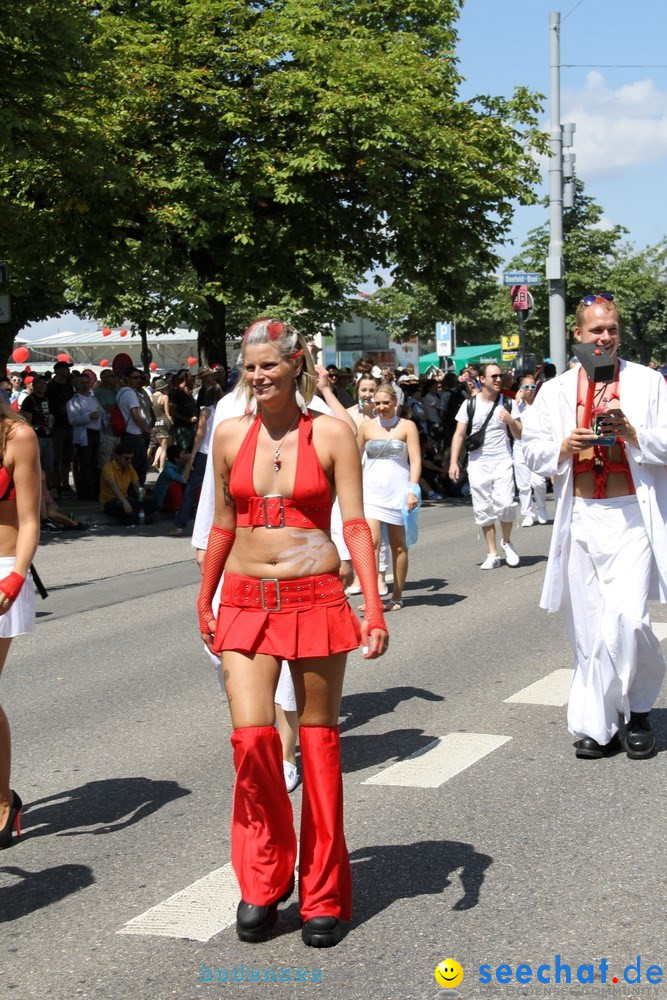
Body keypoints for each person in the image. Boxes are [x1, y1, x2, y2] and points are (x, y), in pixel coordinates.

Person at [196, 317, 388, 948]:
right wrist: (206, 596)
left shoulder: (333, 432)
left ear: (295, 362)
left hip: (317, 597)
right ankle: (263, 878)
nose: (258, 376)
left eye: (269, 365)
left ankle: (324, 891)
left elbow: (355, 523)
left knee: (318, 744)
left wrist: (374, 606)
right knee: (253, 744)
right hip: (246, 599)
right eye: (249, 367)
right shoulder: (228, 435)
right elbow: (224, 523)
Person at [521, 293, 667, 759]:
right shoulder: (556, 390)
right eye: (595, 330)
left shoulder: (647, 382)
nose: (604, 337)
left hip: (631, 516)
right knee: (587, 630)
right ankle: (600, 724)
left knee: (627, 617)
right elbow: (532, 451)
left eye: (612, 329)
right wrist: (564, 446)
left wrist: (633, 434)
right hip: (581, 514)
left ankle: (639, 707)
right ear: (578, 335)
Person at [0, 403, 41, 847]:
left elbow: (29, 519)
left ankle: (3, 801)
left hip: (3, 568)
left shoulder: (17, 436)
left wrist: (16, 575)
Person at [448, 363, 522, 569]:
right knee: (483, 508)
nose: (498, 380)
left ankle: (507, 542)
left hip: (502, 460)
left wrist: (510, 421)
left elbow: (519, 434)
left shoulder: (507, 403)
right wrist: (454, 462)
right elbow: (459, 434)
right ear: (482, 379)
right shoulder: (469, 404)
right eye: (494, 376)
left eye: (500, 376)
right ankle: (492, 553)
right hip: (478, 462)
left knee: (505, 503)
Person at [356, 384, 421, 611]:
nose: (382, 407)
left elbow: (415, 460)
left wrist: (412, 489)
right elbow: (353, 460)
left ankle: (397, 595)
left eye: (386, 403)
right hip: (371, 493)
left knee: (398, 546)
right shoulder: (365, 427)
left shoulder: (408, 427)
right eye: (378, 403)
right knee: (370, 544)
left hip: (398, 493)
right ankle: (372, 597)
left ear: (395, 404)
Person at [170, 385, 221, 536]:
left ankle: (180, 524)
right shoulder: (227, 411)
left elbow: (200, 433)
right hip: (220, 452)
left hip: (204, 452)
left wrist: (192, 454)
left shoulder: (206, 411)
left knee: (191, 489)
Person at [512, 373, 548, 527]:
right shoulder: (517, 405)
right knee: (523, 483)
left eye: (533, 387)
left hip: (537, 445)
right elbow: (512, 423)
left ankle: (542, 509)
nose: (530, 390)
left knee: (538, 482)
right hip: (520, 445)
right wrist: (516, 402)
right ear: (521, 389)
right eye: (526, 387)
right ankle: (527, 513)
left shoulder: (541, 404)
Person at [99, 440, 157, 524]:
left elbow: (136, 486)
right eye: (126, 458)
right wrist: (125, 502)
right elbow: (114, 487)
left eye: (131, 458)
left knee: (154, 503)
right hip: (110, 502)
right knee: (119, 505)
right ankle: (138, 517)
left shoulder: (129, 468)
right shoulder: (108, 468)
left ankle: (134, 517)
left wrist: (141, 492)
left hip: (125, 499)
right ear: (118, 456)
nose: (129, 461)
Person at [66, 372, 102, 500]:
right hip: (85, 434)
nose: (85, 385)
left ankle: (94, 489)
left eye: (87, 382)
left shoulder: (93, 399)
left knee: (94, 463)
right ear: (77, 384)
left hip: (96, 433)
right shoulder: (73, 402)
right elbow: (72, 420)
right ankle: (85, 492)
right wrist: (88, 417)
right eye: (82, 383)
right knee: (85, 464)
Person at [116, 368, 152, 487]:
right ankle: (137, 491)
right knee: (139, 465)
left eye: (140, 378)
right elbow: (135, 415)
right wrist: (146, 429)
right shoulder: (130, 393)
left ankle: (131, 490)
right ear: (126, 379)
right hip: (134, 434)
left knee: (131, 465)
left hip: (127, 433)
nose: (138, 380)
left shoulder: (121, 391)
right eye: (135, 378)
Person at [45, 360, 74, 496]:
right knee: (56, 458)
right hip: (56, 426)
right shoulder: (50, 387)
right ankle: (55, 484)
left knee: (67, 458)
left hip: (69, 424)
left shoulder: (69, 386)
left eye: (68, 369)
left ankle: (65, 484)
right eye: (64, 368)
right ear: (57, 371)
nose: (67, 371)